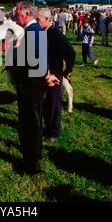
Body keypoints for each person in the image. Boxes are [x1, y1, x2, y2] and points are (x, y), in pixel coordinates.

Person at [12, 2, 59, 175]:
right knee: (36, 120)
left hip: (30, 85)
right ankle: (36, 153)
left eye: (17, 13)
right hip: (37, 84)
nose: (15, 16)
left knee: (28, 124)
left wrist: (45, 75)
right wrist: (47, 75)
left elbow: (35, 61)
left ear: (25, 14)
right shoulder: (36, 30)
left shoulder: (32, 32)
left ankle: (31, 165)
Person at [37, 8, 76, 142]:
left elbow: (71, 53)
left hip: (55, 73)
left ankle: (54, 132)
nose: (37, 22)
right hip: (44, 73)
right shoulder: (42, 32)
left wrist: (67, 71)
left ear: (48, 20)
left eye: (39, 20)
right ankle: (46, 129)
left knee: (53, 102)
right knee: (46, 102)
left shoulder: (55, 33)